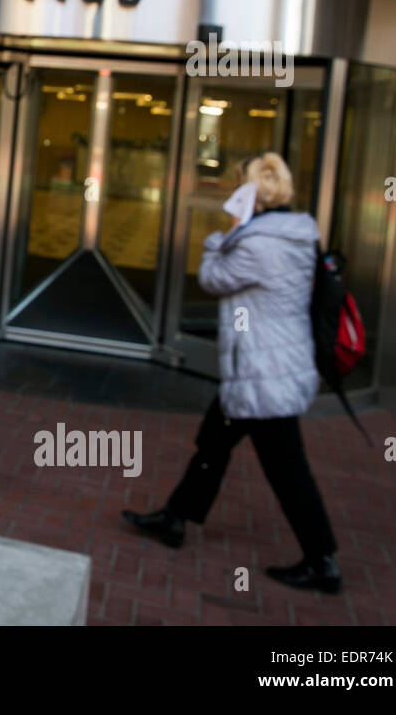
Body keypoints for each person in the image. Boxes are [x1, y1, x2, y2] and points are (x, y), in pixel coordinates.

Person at [121, 152, 341, 592]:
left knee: (287, 470)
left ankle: (322, 562)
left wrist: (224, 234)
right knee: (213, 444)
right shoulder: (297, 234)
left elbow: (212, 278)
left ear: (252, 193)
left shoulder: (259, 243)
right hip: (264, 369)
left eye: (240, 185)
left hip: (264, 376)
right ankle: (176, 517)